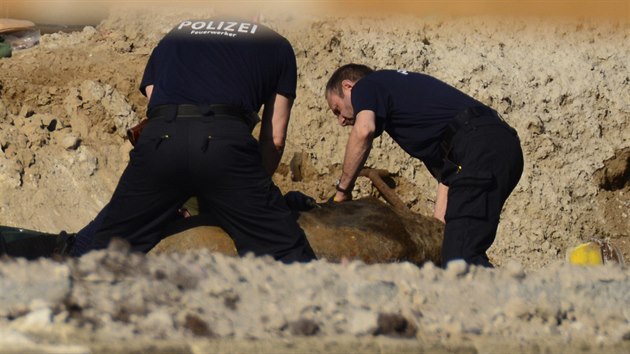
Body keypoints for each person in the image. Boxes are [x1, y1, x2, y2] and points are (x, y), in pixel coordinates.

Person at [80, 18, 316, 263]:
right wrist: (252, 192)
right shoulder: (276, 44)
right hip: (225, 142)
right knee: (287, 255)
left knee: (105, 251)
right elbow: (275, 139)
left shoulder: (178, 32)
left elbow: (153, 97)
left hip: (162, 137)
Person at [325, 64, 523, 267]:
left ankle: (521, 297)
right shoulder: (410, 104)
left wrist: (343, 191)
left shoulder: (367, 85)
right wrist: (439, 231)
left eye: (337, 109)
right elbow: (448, 176)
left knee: (461, 260)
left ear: (348, 87)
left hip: (481, 146)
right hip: (495, 148)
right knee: (455, 254)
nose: (341, 121)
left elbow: (364, 130)